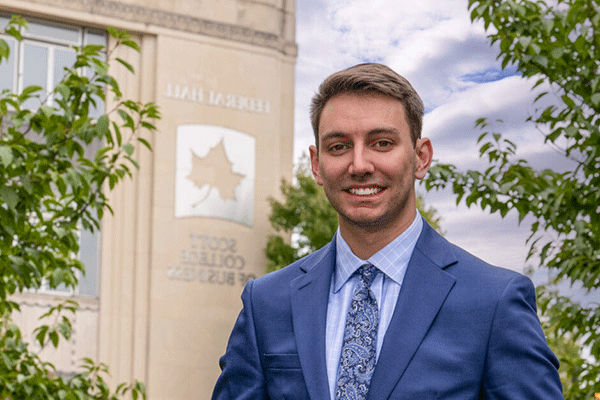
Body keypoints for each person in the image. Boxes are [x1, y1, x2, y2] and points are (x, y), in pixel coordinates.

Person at [211, 63, 564, 400]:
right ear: (317, 165)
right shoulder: (267, 304)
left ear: (421, 157)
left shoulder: (494, 302)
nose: (360, 165)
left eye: (382, 143)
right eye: (339, 147)